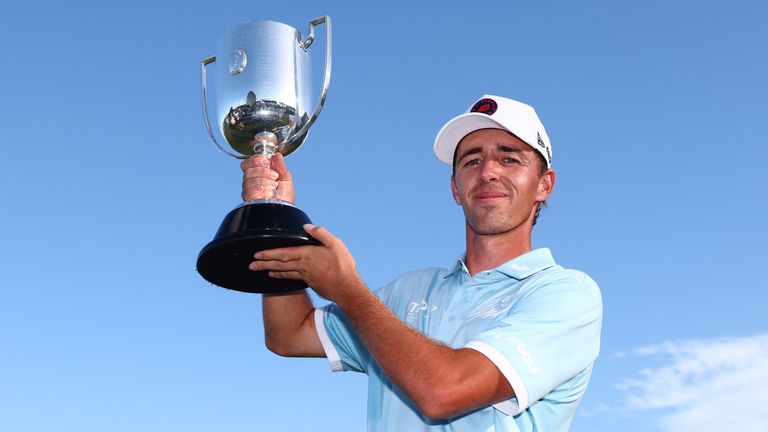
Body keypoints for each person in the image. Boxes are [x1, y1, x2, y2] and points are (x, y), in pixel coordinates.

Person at [242, 95, 603, 431]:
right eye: (472, 161)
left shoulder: (567, 294)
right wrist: (274, 214)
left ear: (544, 185)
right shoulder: (408, 290)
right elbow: (289, 335)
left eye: (510, 158)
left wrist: (348, 289)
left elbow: (443, 393)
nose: (488, 172)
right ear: (455, 188)